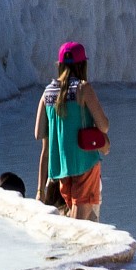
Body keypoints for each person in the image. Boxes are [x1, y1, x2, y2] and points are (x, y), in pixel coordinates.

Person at [37, 41, 108, 221]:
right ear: (83, 64)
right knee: (80, 218)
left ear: (59, 65)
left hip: (60, 166)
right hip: (84, 160)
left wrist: (40, 189)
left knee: (73, 212)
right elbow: (104, 125)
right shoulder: (83, 88)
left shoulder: (48, 92)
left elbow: (38, 133)